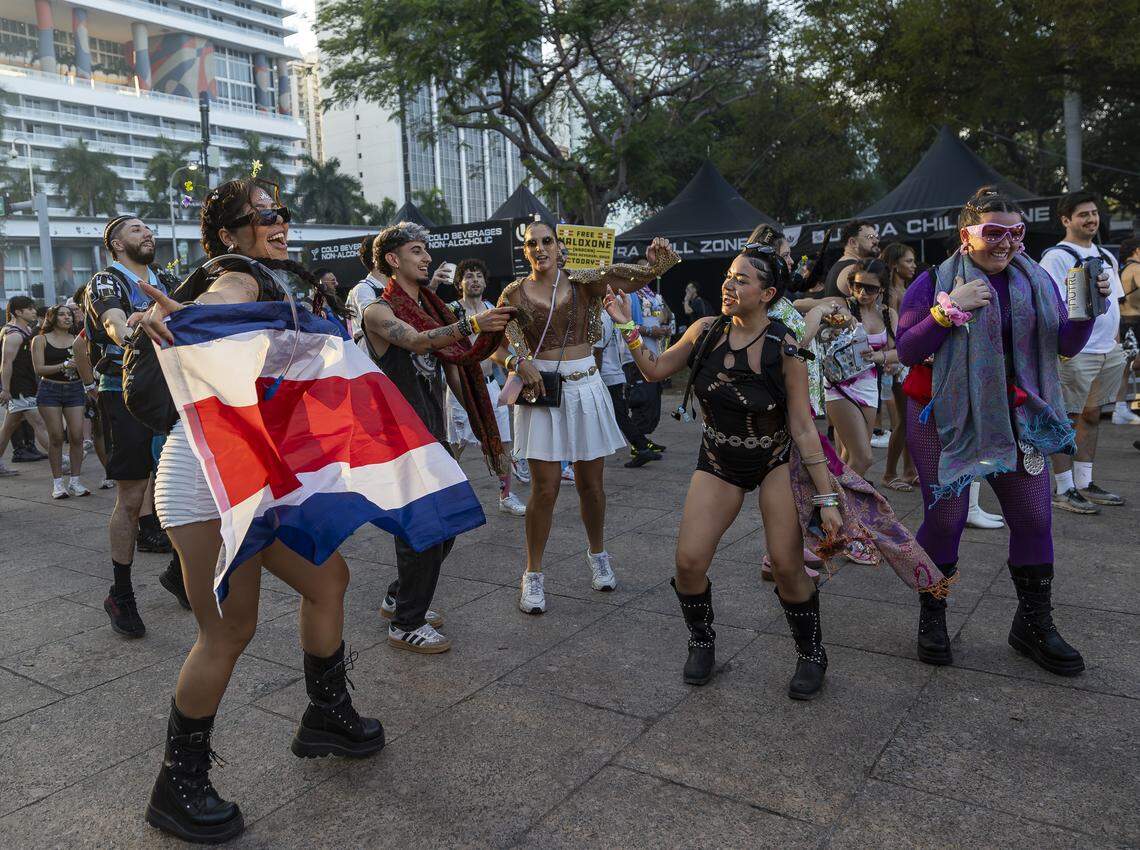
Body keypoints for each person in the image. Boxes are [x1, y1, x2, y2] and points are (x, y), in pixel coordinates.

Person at [135, 178, 385, 843]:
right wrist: (173, 319)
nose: (279, 222)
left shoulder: (272, 281)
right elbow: (218, 305)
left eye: (281, 212)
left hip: (254, 475)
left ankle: (326, 715)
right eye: (263, 214)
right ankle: (176, 785)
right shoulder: (240, 277)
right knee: (228, 632)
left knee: (328, 579)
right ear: (228, 234)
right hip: (209, 484)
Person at [606, 243, 950, 700]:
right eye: (729, 276)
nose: (729, 284)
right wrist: (625, 322)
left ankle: (811, 653)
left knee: (788, 566)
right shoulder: (704, 331)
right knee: (688, 563)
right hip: (718, 459)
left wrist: (827, 500)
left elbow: (805, 428)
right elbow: (651, 371)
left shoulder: (784, 348)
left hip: (773, 460)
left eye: (742, 279)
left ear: (767, 294)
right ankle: (702, 641)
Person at [896, 185, 1108, 676]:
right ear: (965, 234)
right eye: (993, 232)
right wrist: (949, 309)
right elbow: (907, 350)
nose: (1005, 242)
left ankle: (1032, 625)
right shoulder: (933, 281)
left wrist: (1084, 310)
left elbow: (1067, 345)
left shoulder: (1034, 280)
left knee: (1034, 519)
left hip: (1018, 415)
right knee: (946, 520)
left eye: (1014, 232)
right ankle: (933, 615)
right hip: (941, 414)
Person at [493, 221, 678, 614]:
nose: (540, 248)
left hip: (587, 388)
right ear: (524, 251)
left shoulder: (583, 282)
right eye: (531, 244)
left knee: (591, 485)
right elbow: (494, 345)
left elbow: (625, 279)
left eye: (546, 241)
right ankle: (533, 575)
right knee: (544, 489)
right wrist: (515, 361)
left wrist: (654, 266)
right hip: (542, 393)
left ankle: (598, 554)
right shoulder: (513, 294)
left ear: (560, 247)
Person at [361, 223, 515, 652]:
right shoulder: (378, 311)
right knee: (422, 531)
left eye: (427, 249)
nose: (426, 257)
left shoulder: (433, 311)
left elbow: (456, 376)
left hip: (432, 437)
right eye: (416, 250)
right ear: (393, 260)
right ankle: (405, 622)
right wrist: (472, 323)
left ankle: (399, 597)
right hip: (399, 442)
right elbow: (414, 342)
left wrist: (488, 434)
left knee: (445, 526)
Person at [82, 215, 173, 639]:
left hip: (172, 390)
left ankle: (177, 573)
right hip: (126, 391)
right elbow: (113, 321)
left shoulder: (167, 278)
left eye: (148, 229)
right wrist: (130, 330)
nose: (147, 234)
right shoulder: (106, 280)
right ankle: (121, 593)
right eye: (136, 230)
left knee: (185, 485)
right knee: (132, 496)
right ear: (116, 244)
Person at [1039, 191, 1127, 513]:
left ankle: (1085, 482)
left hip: (1107, 351)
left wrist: (1114, 341)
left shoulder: (1106, 255)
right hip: (1076, 353)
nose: (1091, 219)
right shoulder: (1056, 257)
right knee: (1065, 418)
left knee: (1092, 415)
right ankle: (1063, 488)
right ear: (1066, 220)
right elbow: (1050, 307)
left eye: (1094, 213)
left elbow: (1115, 302)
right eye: (1082, 215)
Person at [445, 258, 527, 516]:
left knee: (502, 441)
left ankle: (505, 495)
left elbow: (502, 348)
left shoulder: (493, 309)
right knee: (455, 445)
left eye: (479, 275)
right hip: (461, 389)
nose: (475, 280)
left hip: (491, 387)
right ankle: (443, 494)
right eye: (469, 276)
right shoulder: (451, 311)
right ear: (460, 283)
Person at [30, 305, 90, 498]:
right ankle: (57, 484)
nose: (67, 318)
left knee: (77, 436)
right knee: (56, 437)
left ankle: (75, 481)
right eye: (62, 314)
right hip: (50, 390)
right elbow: (39, 369)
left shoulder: (77, 340)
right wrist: (63, 365)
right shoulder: (40, 340)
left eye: (70, 315)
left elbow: (87, 365)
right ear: (52, 318)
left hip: (74, 389)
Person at [878, 243, 919, 492]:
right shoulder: (892, 292)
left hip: (907, 358)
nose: (914, 265)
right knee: (905, 420)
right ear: (895, 265)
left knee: (909, 420)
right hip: (899, 360)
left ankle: (909, 470)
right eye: (909, 261)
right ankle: (890, 472)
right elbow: (892, 329)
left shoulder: (904, 288)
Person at [597, 307, 660, 467]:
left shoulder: (600, 316)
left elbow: (597, 350)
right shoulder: (612, 315)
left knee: (620, 415)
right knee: (619, 414)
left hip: (606, 373)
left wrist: (595, 375)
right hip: (613, 371)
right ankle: (642, 445)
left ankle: (642, 447)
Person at [0, 296, 52, 477]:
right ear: (18, 312)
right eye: (29, 309)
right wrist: (5, 389)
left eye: (33, 308)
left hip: (27, 384)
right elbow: (6, 363)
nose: (33, 311)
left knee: (7, 429)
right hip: (19, 388)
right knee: (39, 423)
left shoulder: (26, 329)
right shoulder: (13, 334)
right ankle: (63, 460)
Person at [822, 219, 880, 298]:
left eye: (876, 237)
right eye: (870, 237)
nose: (876, 241)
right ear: (853, 242)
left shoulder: (840, 265)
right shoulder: (853, 269)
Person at [346, 235, 384, 342]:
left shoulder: (392, 287)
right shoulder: (363, 289)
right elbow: (378, 323)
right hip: (371, 357)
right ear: (376, 258)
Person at [1118, 236, 1140, 423]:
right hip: (1136, 325)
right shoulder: (1137, 268)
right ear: (1137, 251)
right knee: (1132, 367)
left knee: (1125, 369)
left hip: (1124, 324)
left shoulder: (1121, 270)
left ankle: (1120, 408)